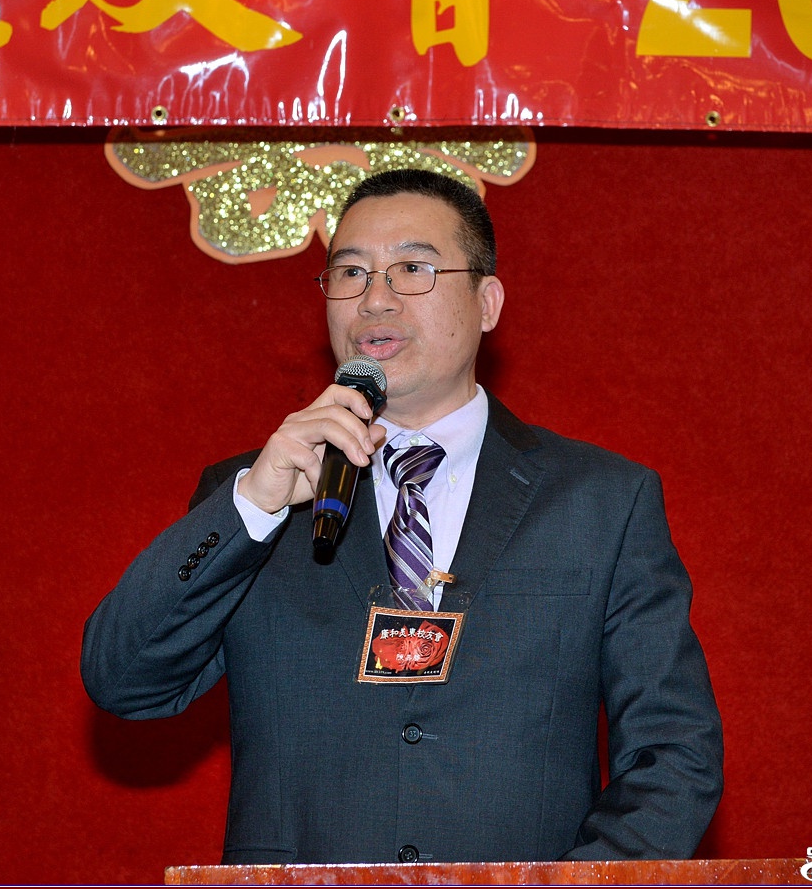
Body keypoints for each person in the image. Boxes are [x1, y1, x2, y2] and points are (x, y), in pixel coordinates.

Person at [82, 168, 723, 865]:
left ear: (487, 302)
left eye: (412, 269)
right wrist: (252, 507)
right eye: (350, 273)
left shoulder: (601, 501)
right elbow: (125, 680)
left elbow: (673, 754)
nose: (375, 299)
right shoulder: (260, 494)